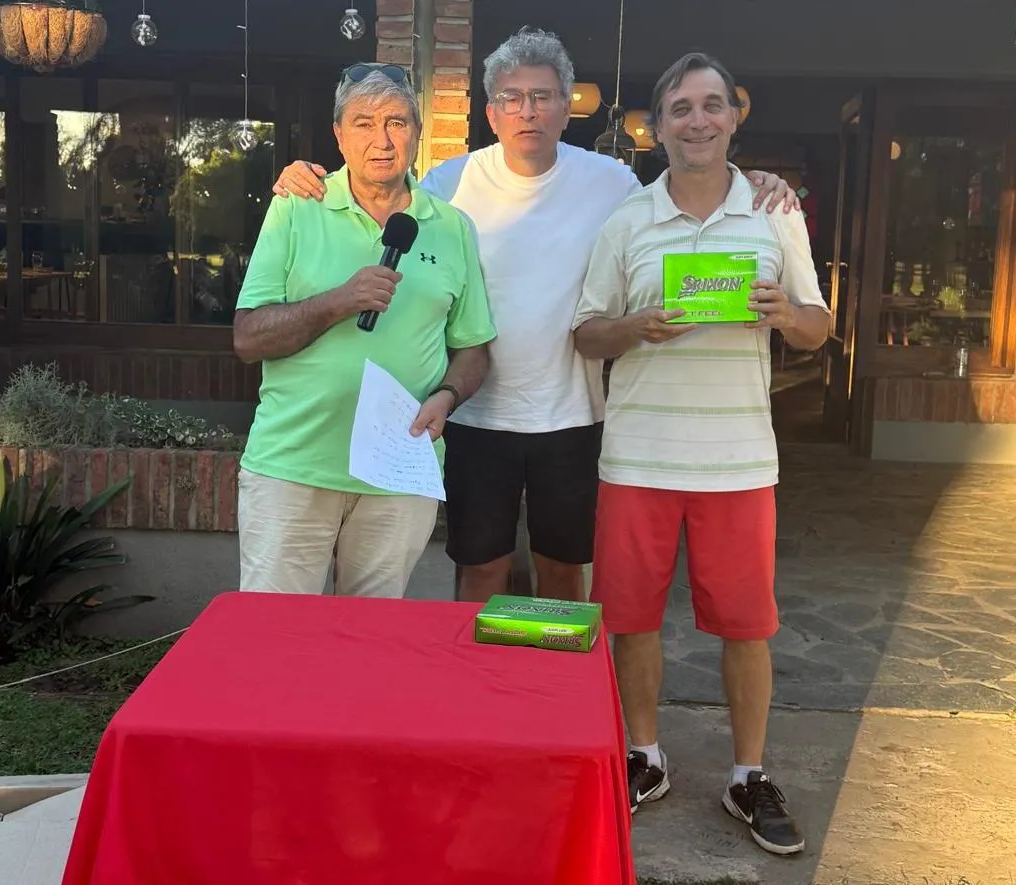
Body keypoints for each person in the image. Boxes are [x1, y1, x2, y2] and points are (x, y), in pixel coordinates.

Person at [273, 29, 797, 605]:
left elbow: (680, 195)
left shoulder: (612, 183)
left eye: (543, 96)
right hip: (475, 415)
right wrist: (306, 175)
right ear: (491, 112)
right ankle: (476, 667)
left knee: (564, 577)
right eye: (512, 97)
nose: (528, 110)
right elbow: (378, 192)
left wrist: (757, 182)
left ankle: (554, 669)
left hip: (572, 416)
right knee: (479, 574)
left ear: (566, 108)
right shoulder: (449, 183)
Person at [572, 52, 831, 855]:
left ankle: (748, 773)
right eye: (680, 108)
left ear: (734, 117)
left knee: (747, 626)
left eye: (712, 105)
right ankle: (643, 756)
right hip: (639, 456)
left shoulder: (774, 211)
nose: (698, 120)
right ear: (658, 125)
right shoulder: (627, 221)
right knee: (632, 619)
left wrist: (785, 313)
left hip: (738, 458)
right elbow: (586, 333)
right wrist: (636, 326)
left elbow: (819, 326)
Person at [233, 62, 495, 598]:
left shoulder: (452, 228)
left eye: (397, 122)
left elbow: (473, 348)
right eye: (364, 123)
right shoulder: (296, 207)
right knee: (277, 634)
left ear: (416, 133)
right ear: (338, 134)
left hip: (399, 469)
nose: (382, 140)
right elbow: (249, 338)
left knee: (371, 636)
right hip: (293, 467)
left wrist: (447, 396)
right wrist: (339, 301)